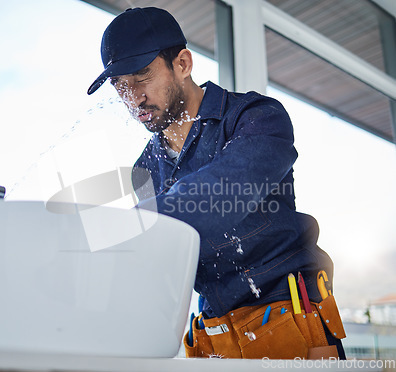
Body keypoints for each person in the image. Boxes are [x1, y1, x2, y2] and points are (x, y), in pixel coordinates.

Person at [87, 7, 346, 360]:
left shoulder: (256, 118)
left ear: (182, 64)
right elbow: (159, 267)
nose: (133, 97)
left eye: (142, 76)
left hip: (291, 325)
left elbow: (225, 191)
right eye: (121, 86)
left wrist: (125, 227)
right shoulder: (144, 171)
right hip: (212, 340)